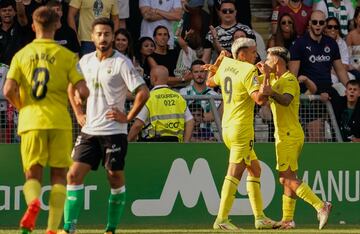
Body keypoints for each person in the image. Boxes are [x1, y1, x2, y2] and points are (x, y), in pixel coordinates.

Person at [3, 6, 89, 234]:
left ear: (33, 27)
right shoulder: (68, 56)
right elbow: (83, 90)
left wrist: (22, 106)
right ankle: (52, 229)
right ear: (58, 25)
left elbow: (8, 90)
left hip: (31, 120)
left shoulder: (21, 55)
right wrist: (81, 98)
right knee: (59, 175)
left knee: (32, 174)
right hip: (59, 121)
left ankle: (33, 203)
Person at [58, 17, 149, 234]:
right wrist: (79, 112)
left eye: (107, 34)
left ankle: (110, 228)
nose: (103, 38)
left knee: (114, 177)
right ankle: (69, 228)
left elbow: (143, 93)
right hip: (88, 131)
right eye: (98, 34)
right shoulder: (85, 61)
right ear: (92, 36)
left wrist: (127, 117)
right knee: (73, 175)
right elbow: (71, 86)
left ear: (112, 36)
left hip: (113, 132)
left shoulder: (121, 62)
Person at [204, 38, 277, 230]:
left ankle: (260, 218)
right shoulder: (248, 70)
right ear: (242, 54)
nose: (256, 55)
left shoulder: (227, 64)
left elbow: (210, 82)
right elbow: (260, 99)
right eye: (253, 52)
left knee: (255, 170)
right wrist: (267, 77)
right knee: (234, 172)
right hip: (241, 130)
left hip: (227, 127)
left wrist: (218, 62)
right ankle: (221, 219)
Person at [257, 46, 332, 230]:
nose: (266, 62)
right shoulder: (275, 78)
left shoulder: (289, 79)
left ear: (277, 61)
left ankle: (320, 205)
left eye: (268, 59)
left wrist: (269, 88)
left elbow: (285, 100)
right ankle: (288, 220)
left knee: (285, 178)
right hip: (285, 135)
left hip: (289, 135)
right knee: (288, 176)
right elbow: (256, 87)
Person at [289, 10, 349, 141]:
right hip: (309, 91)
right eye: (315, 22)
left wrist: (349, 87)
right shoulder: (299, 44)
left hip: (327, 88)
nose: (317, 25)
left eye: (321, 22)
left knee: (340, 128)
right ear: (310, 23)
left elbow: (340, 70)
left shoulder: (331, 43)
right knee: (317, 137)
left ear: (324, 25)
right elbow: (293, 74)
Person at [128, 65, 194, 142]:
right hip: (176, 146)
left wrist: (128, 141)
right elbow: (190, 121)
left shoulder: (148, 97)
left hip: (154, 145)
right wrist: (185, 143)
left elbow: (137, 125)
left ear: (154, 78)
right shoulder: (178, 96)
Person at [0, 0, 29, 65]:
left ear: (15, 13)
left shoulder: (20, 27)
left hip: (19, 67)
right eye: (4, 11)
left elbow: (21, 15)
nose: (7, 13)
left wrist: (18, 1)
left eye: (10, 10)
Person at [346, 6, 360, 80]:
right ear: (356, 20)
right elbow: (348, 57)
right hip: (354, 67)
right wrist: (357, 67)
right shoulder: (350, 36)